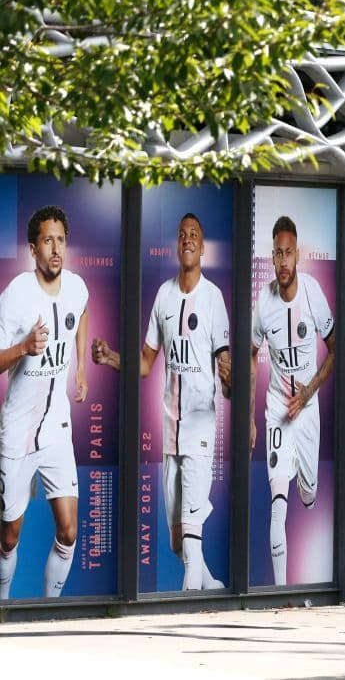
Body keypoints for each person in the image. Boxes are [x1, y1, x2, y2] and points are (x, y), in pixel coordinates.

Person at [92, 213, 229, 590]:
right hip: (171, 429)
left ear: (202, 247)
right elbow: (145, 363)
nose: (187, 240)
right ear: (177, 244)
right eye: (182, 234)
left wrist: (232, 383)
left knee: (191, 528)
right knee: (176, 541)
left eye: (194, 235)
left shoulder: (214, 298)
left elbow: (226, 365)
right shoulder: (164, 296)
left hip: (201, 427)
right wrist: (109, 358)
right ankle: (211, 585)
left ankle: (187, 603)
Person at [0, 206, 89, 598]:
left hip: (57, 428)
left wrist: (81, 367)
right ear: (32, 248)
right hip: (18, 430)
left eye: (61, 240)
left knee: (69, 531)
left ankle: (47, 610)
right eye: (48, 241)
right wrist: (23, 348)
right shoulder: (17, 294)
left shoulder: (75, 286)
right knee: (8, 536)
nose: (56, 249)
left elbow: (81, 312)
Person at [250, 216, 336, 585]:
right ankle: (281, 593)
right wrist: (252, 417)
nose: (283, 261)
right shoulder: (263, 302)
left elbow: (334, 349)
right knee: (278, 503)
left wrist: (309, 391)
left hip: (308, 408)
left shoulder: (313, 293)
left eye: (289, 253)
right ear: (272, 257)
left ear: (297, 255)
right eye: (278, 254)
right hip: (276, 411)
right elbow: (252, 353)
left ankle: (308, 489)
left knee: (309, 492)